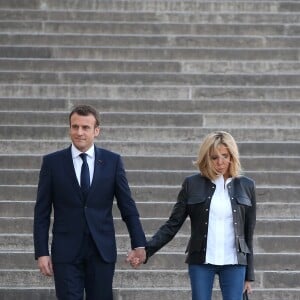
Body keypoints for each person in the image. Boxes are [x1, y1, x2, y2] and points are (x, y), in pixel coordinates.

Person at [34, 104, 146, 300]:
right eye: (75, 126)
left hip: (101, 250)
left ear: (96, 131)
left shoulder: (113, 162)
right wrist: (41, 252)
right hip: (66, 252)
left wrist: (139, 243)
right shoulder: (52, 163)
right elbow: (41, 213)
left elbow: (127, 207)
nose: (79, 132)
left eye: (85, 127)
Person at [127, 131, 256, 300]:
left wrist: (249, 275)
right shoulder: (192, 184)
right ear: (206, 158)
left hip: (235, 263)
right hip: (201, 262)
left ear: (232, 156)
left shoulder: (246, 185)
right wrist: (147, 250)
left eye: (225, 156)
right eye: (214, 157)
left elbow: (248, 234)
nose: (220, 162)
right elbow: (173, 224)